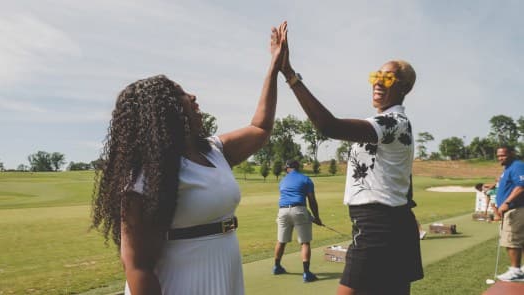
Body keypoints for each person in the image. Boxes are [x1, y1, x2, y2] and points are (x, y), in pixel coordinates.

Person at [90, 23, 287, 295]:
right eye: (181, 94)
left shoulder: (214, 150)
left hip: (223, 270)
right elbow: (137, 266)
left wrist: (274, 66)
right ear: (162, 112)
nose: (192, 96)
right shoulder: (145, 177)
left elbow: (261, 128)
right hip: (180, 282)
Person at [276, 21, 423, 294]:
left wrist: (290, 75)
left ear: (404, 88)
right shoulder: (394, 124)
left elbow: (329, 127)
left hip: (377, 226)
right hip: (394, 222)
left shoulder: (392, 122)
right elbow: (402, 173)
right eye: (376, 76)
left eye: (387, 78)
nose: (378, 82)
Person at [273, 159, 322, 282]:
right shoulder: (305, 179)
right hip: (299, 210)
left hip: (283, 211)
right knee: (305, 242)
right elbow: (312, 201)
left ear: (288, 168)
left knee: (281, 241)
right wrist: (316, 217)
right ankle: (306, 273)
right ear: (297, 167)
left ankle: (276, 267)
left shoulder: (283, 181)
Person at [494, 145, 524, 282]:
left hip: (515, 209)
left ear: (512, 153)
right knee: (519, 239)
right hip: (513, 209)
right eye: (499, 156)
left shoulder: (517, 165)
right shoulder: (508, 168)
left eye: (503, 155)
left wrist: (506, 202)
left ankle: (515, 271)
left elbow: (521, 186)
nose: (500, 158)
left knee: (512, 240)